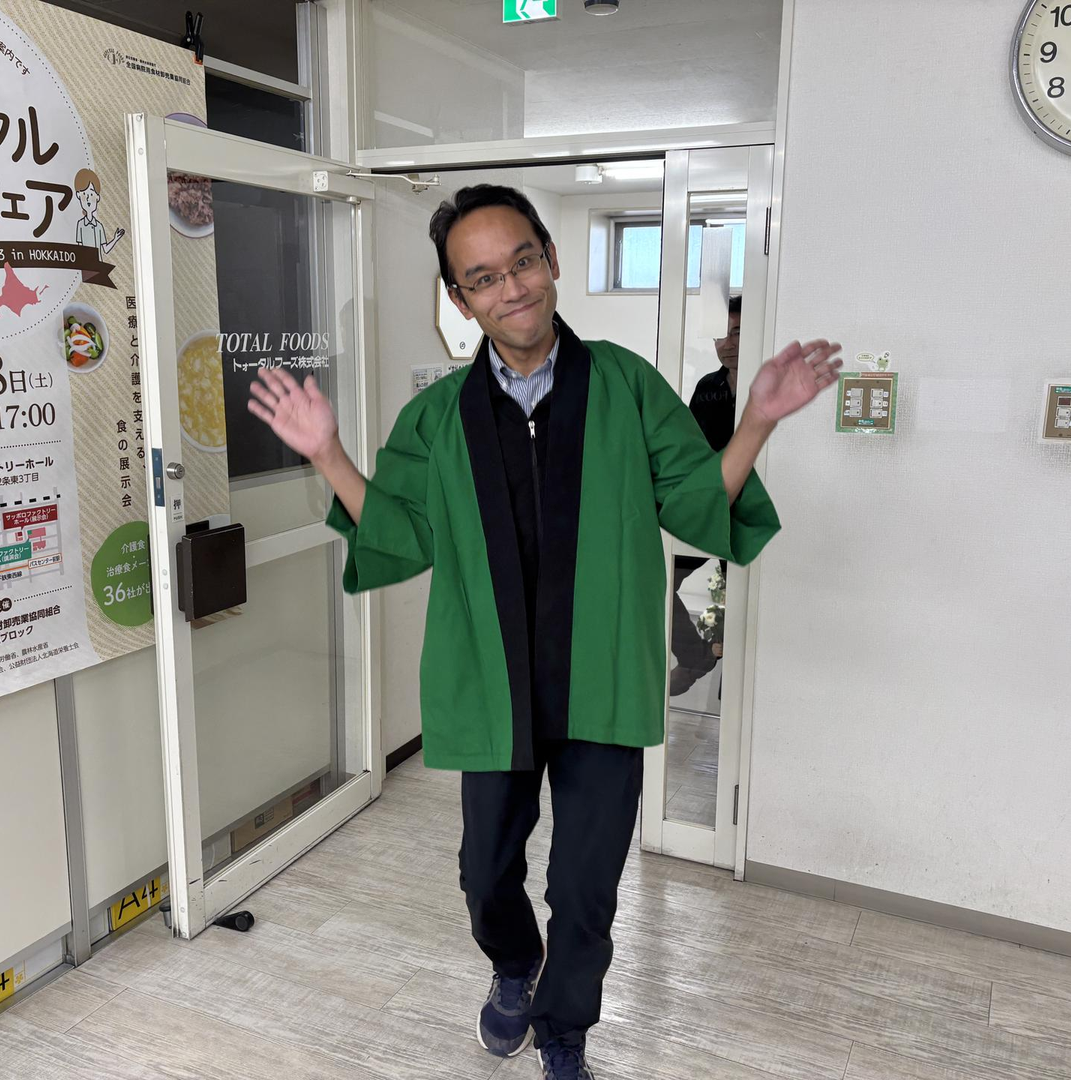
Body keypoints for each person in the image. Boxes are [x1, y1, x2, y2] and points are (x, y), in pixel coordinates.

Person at [247, 185, 839, 1079]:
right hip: (491, 682)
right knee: (485, 873)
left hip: (600, 677)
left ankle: (565, 1030)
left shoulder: (627, 386)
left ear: (551, 259)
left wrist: (755, 419)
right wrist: (328, 454)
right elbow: (400, 534)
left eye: (522, 261)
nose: (511, 287)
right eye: (482, 277)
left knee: (586, 889)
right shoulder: (439, 417)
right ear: (461, 300)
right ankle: (515, 965)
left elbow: (694, 503)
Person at [669, 294, 743, 697]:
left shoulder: (766, 388)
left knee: (743, 597)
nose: (726, 343)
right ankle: (695, 656)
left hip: (747, 515)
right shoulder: (707, 387)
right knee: (661, 579)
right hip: (708, 509)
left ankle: (733, 690)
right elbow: (690, 448)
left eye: (736, 333)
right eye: (720, 335)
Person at [73, 168, 124, 255]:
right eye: (84, 194)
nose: (88, 199)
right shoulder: (80, 224)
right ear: (78, 195)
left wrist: (115, 239)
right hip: (85, 262)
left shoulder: (99, 226)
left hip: (98, 263)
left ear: (97, 197)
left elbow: (105, 249)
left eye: (91, 194)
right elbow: (79, 248)